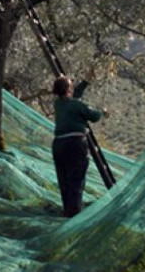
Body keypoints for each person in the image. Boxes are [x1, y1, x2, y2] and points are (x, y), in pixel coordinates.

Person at [52, 74, 109, 218]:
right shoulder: (76, 105)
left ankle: (67, 213)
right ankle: (74, 216)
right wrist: (103, 112)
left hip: (58, 145)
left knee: (64, 182)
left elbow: (74, 96)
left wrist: (85, 82)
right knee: (76, 181)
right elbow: (94, 116)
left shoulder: (58, 104)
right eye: (71, 85)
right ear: (68, 89)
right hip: (75, 145)